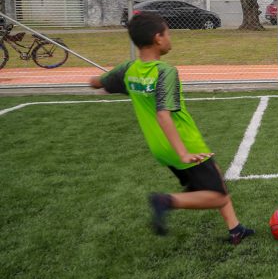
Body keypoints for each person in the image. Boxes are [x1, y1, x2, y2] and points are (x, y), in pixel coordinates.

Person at [88, 12, 255, 244]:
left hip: (159, 148)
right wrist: (184, 152)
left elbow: (96, 82)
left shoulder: (128, 70)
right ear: (158, 38)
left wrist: (106, 84)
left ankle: (235, 229)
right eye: (167, 33)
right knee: (217, 196)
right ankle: (165, 201)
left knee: (215, 175)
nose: (169, 38)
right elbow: (163, 114)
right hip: (184, 143)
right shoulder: (165, 71)